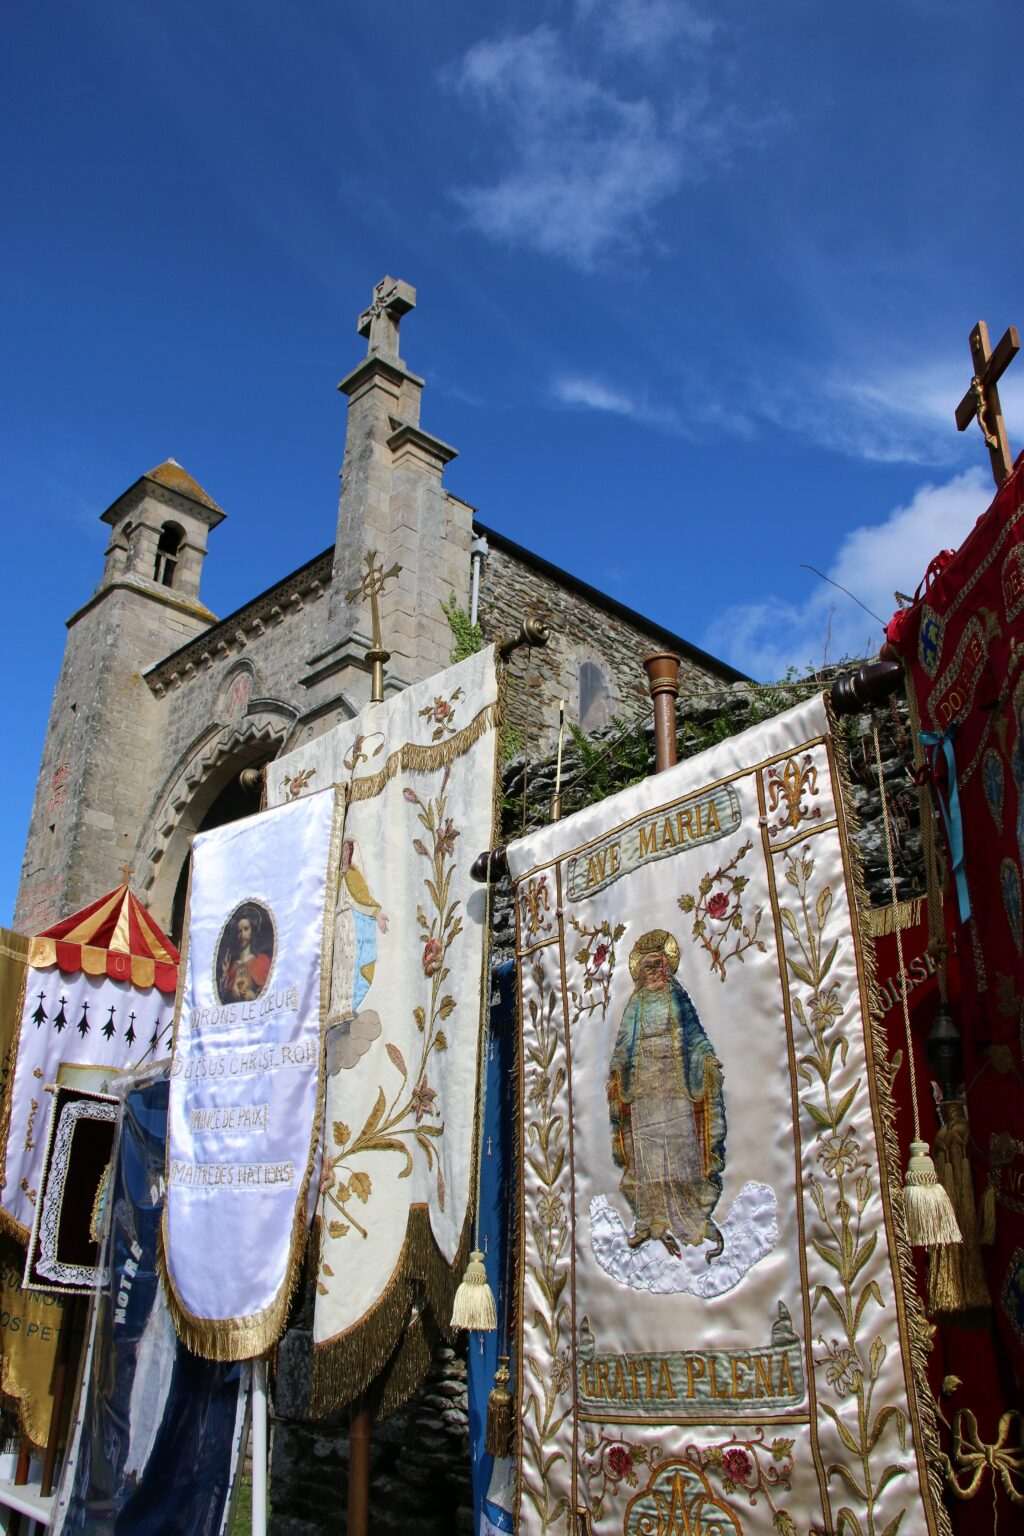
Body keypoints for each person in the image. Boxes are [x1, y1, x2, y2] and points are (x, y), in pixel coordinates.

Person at [607, 929, 726, 1259]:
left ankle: (689, 1216)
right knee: (647, 1151)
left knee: (679, 1146)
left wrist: (706, 1058)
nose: (654, 971)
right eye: (648, 966)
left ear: (667, 966)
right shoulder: (636, 1003)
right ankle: (652, 1218)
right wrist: (617, 1069)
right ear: (640, 971)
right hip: (645, 1087)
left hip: (674, 1085)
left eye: (658, 964)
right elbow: (623, 1044)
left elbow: (695, 1035)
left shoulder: (677, 997)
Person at [217, 907, 272, 1002]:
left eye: (246, 929)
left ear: (252, 930)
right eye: (239, 931)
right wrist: (224, 974)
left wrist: (254, 996)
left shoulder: (262, 960)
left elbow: (270, 992)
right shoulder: (232, 966)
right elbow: (223, 998)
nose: (242, 935)